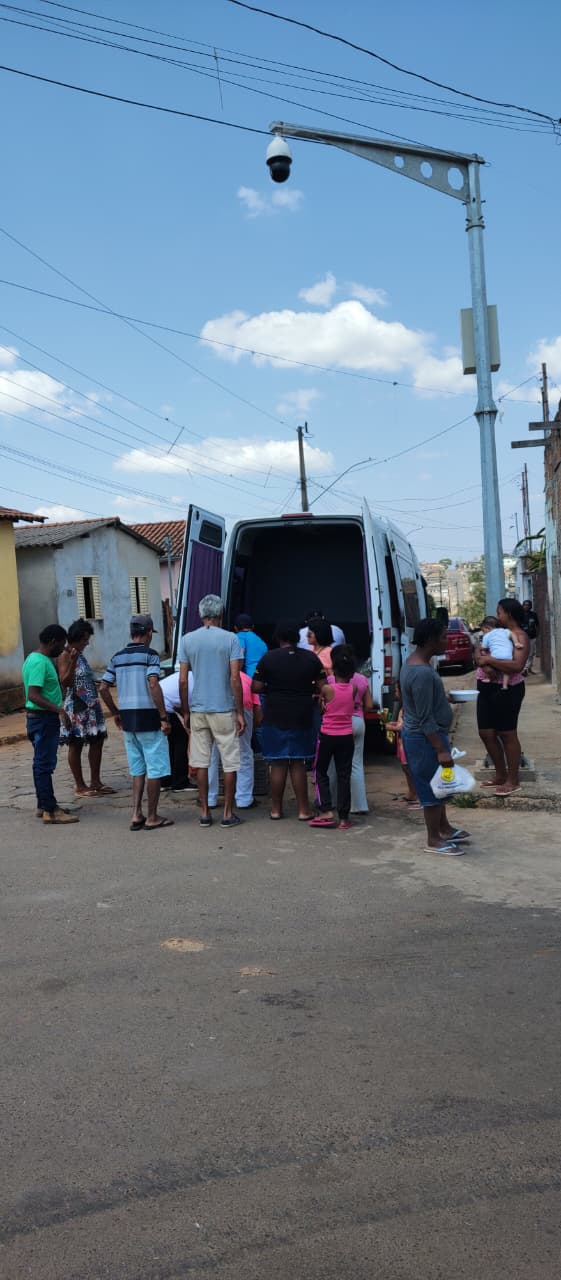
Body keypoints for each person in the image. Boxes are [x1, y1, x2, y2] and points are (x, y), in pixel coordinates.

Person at [400, 618, 469, 855]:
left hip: (431, 737)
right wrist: (440, 749)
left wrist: (444, 698)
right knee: (431, 790)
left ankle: (444, 828)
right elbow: (424, 718)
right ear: (430, 640)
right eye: (442, 637)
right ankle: (433, 839)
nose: (446, 641)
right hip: (425, 740)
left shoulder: (419, 665)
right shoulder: (420, 673)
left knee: (442, 786)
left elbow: (424, 702)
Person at [99, 615, 173, 832]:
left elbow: (103, 688)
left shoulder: (117, 657)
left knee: (137, 769)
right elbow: (153, 685)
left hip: (129, 720)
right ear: (149, 633)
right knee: (155, 769)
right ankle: (152, 816)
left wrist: (115, 713)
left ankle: (135, 814)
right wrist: (163, 716)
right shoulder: (151, 655)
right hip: (149, 719)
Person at [178, 594, 245, 829]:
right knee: (229, 762)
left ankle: (205, 812)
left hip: (198, 709)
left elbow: (183, 680)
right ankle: (227, 813)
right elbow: (235, 678)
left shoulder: (187, 640)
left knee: (201, 762)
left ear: (200, 614)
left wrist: (186, 711)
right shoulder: (231, 639)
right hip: (224, 708)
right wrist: (239, 710)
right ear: (221, 614)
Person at [252, 619, 328, 821]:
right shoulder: (311, 658)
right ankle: (304, 810)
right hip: (302, 715)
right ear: (297, 638)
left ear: (278, 638)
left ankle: (276, 809)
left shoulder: (268, 658)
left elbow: (256, 687)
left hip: (275, 715)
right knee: (297, 763)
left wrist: (273, 689)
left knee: (277, 764)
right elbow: (324, 686)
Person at [22, 624, 79, 825]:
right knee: (44, 765)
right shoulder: (40, 662)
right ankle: (50, 810)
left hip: (40, 719)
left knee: (41, 763)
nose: (62, 649)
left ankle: (44, 804)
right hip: (43, 719)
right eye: (61, 644)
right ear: (52, 641)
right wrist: (60, 710)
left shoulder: (33, 658)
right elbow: (34, 695)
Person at [474, 598, 529, 797]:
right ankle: (500, 774)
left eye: (500, 613)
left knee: (507, 734)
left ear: (509, 614)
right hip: (486, 687)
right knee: (486, 733)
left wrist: (488, 660)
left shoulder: (519, 636)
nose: (498, 617)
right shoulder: (494, 633)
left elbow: (516, 666)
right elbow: (478, 653)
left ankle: (513, 779)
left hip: (508, 690)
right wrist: (484, 663)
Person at [58, 619, 114, 797]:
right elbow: (65, 682)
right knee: (76, 744)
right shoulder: (65, 655)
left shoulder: (79, 654)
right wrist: (73, 662)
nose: (87, 642)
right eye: (85, 639)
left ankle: (95, 781)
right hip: (75, 706)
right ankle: (80, 785)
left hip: (90, 706)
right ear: (77, 638)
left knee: (97, 741)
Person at [310, 644, 357, 831]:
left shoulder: (327, 689)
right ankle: (344, 818)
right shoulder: (353, 689)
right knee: (344, 775)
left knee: (319, 771)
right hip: (346, 736)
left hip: (327, 735)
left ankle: (326, 809)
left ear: (334, 669)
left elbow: (322, 709)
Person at [208, 670, 262, 810]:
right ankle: (244, 799)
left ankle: (209, 798)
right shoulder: (246, 678)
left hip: (216, 710)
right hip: (244, 709)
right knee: (244, 752)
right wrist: (252, 726)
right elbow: (258, 710)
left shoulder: (213, 676)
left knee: (213, 753)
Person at [158, 670, 195, 792]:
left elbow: (179, 704)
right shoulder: (195, 681)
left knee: (171, 741)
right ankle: (179, 782)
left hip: (158, 704)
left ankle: (166, 780)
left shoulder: (188, 675)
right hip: (162, 706)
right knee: (180, 740)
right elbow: (188, 708)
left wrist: (185, 718)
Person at [386, 683, 420, 808]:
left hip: (408, 742)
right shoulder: (404, 707)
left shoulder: (410, 708)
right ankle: (412, 792)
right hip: (402, 742)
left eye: (396, 691)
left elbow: (404, 726)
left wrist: (390, 726)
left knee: (410, 769)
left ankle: (416, 794)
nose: (395, 693)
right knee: (406, 768)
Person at [479, 616, 524, 691]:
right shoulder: (505, 631)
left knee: (488, 663)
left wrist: (481, 648)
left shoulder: (487, 636)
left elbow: (484, 648)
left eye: (483, 631)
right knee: (506, 671)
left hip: (495, 656)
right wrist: (516, 643)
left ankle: (490, 678)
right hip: (508, 656)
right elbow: (512, 634)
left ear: (487, 628)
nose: (483, 633)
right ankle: (505, 685)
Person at [234, 614, 268, 678]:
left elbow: (240, 655)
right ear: (253, 627)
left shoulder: (239, 636)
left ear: (235, 628)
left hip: (250, 677)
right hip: (263, 677)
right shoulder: (260, 641)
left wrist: (235, 675)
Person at [522, 599, 539, 674]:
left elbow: (537, 625)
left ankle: (528, 668)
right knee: (524, 653)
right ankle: (525, 668)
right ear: (523, 606)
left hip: (532, 636)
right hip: (523, 637)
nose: (527, 606)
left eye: (528, 605)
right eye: (525, 605)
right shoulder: (520, 615)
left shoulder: (533, 614)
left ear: (531, 606)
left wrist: (538, 633)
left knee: (531, 653)